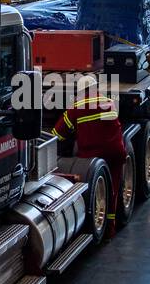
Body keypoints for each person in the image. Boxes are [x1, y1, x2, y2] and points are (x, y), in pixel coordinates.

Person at [51, 74, 125, 235]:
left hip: (92, 155)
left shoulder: (76, 107)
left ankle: (96, 226)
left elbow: (57, 134)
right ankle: (110, 230)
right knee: (112, 190)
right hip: (115, 153)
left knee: (94, 193)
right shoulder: (109, 102)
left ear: (81, 90)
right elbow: (110, 126)